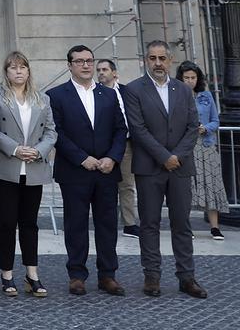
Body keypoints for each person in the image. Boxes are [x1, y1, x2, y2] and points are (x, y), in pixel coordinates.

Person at [125, 41, 206, 298]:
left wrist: (176, 157)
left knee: (182, 223)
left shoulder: (183, 89)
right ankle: (152, 276)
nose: (157, 63)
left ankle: (187, 277)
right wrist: (164, 157)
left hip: (180, 168)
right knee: (149, 224)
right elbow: (138, 129)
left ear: (170, 61)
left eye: (162, 58)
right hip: (149, 168)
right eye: (152, 58)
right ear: (145, 60)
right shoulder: (134, 90)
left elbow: (193, 126)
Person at [49, 44, 127, 296]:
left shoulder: (109, 94)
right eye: (80, 61)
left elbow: (120, 129)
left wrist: (113, 158)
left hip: (106, 170)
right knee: (76, 224)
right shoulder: (57, 95)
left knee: (107, 224)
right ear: (69, 65)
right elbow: (56, 133)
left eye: (89, 61)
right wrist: (82, 158)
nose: (86, 65)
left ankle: (108, 275)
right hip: (75, 171)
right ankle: (77, 275)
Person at [0, 51, 57, 298]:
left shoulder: (42, 99)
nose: (18, 71)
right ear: (6, 71)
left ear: (28, 71)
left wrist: (38, 151)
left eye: (22, 67)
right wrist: (15, 149)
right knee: (6, 223)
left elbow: (51, 131)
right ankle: (6, 274)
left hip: (34, 167)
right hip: (7, 167)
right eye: (13, 67)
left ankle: (32, 274)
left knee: (30, 223)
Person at [176, 62, 228, 239]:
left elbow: (216, 121)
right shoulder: (177, 97)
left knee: (212, 186)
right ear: (180, 79)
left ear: (198, 79)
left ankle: (215, 227)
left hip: (206, 145)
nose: (190, 81)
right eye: (186, 78)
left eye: (193, 77)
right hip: (186, 147)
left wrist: (205, 128)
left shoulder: (206, 96)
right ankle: (186, 226)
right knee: (187, 187)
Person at [97, 58, 138, 238]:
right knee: (105, 186)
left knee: (127, 185)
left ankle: (129, 223)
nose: (100, 73)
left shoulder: (127, 92)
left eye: (104, 69)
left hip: (127, 145)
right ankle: (106, 220)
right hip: (103, 147)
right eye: (98, 70)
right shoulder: (94, 92)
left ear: (114, 73)